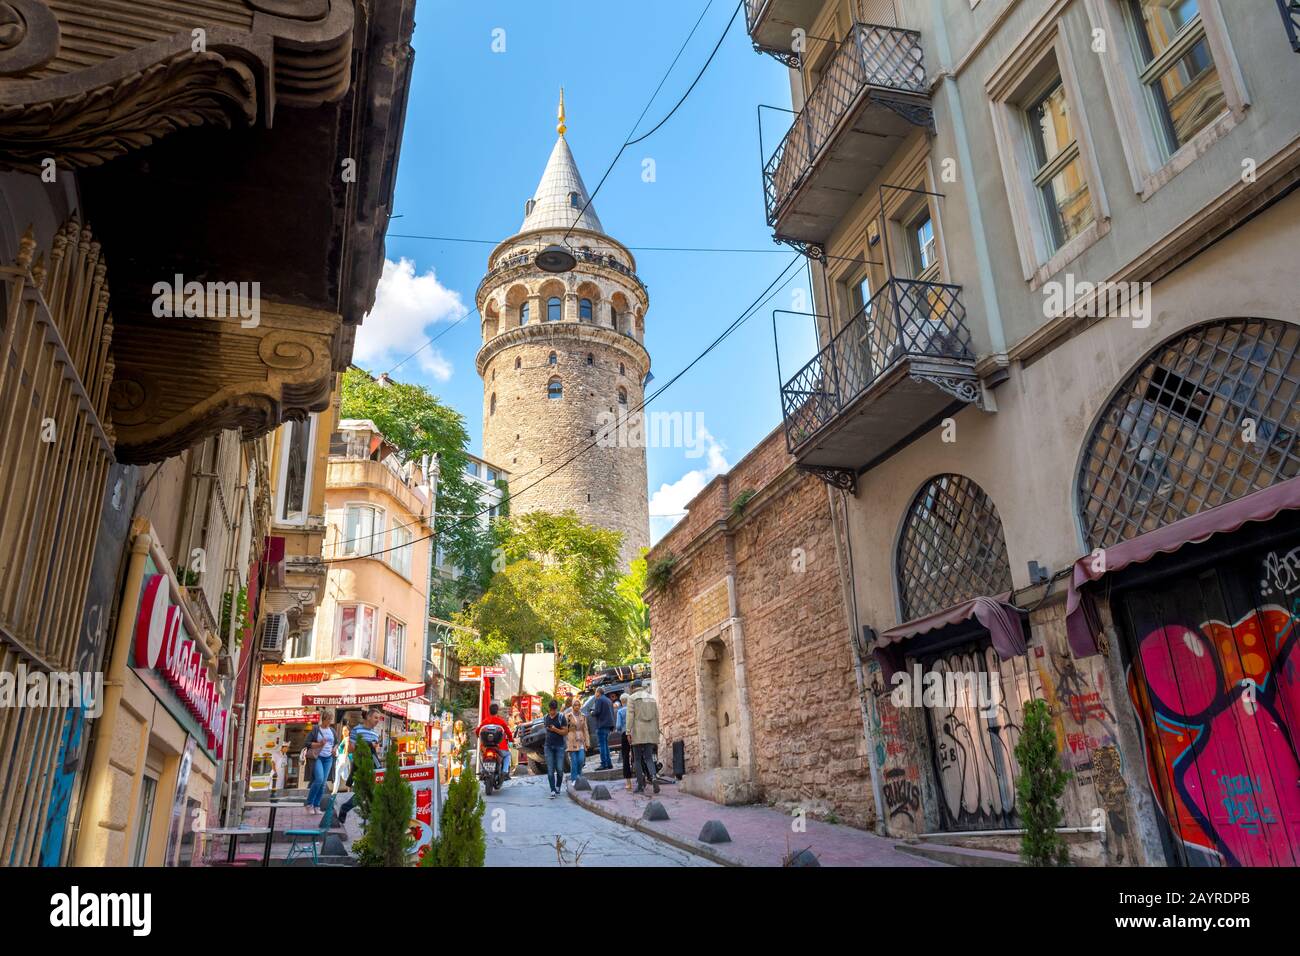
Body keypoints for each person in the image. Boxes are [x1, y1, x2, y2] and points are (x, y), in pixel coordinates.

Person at [337, 709, 383, 825]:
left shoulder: (375, 734)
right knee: (361, 793)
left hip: (371, 767)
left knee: (371, 793)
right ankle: (346, 808)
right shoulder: (357, 730)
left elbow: (375, 753)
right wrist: (366, 745)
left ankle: (371, 821)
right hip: (360, 767)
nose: (378, 720)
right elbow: (351, 749)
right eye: (375, 718)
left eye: (378, 718)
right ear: (368, 717)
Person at [624, 680, 660, 794]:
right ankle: (653, 777)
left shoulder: (632, 698)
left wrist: (628, 731)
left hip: (638, 731)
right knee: (649, 757)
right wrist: (656, 730)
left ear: (633, 687)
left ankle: (640, 785)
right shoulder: (651, 697)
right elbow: (656, 716)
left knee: (637, 759)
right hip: (650, 731)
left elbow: (630, 716)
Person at [303, 710, 336, 812]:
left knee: (323, 783)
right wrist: (319, 744)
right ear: (324, 719)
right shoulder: (315, 729)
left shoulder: (332, 730)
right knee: (319, 779)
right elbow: (306, 743)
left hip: (329, 758)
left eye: (331, 719)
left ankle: (317, 805)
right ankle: (309, 804)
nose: (330, 722)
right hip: (318, 757)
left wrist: (335, 748)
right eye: (329, 719)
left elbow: (337, 742)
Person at [475, 702, 515, 781]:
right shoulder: (501, 721)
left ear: (489, 711)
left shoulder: (485, 721)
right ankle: (505, 772)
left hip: (486, 747)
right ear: (497, 711)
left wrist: (480, 738)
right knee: (507, 755)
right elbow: (508, 732)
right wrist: (511, 740)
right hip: (500, 747)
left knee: (482, 756)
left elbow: (477, 731)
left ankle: (483, 771)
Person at [543, 699, 568, 797]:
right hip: (548, 746)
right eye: (551, 710)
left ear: (556, 709)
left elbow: (565, 732)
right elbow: (546, 730)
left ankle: (558, 786)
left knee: (560, 769)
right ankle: (552, 790)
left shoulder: (561, 717)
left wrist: (555, 729)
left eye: (554, 710)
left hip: (559, 746)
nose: (552, 712)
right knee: (550, 769)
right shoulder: (546, 717)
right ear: (549, 709)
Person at [564, 697, 589, 784]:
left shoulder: (583, 716)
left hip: (581, 740)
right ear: (572, 706)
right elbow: (564, 729)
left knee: (581, 760)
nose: (577, 707)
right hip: (571, 740)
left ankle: (579, 775)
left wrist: (588, 742)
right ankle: (574, 779)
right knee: (574, 761)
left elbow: (585, 729)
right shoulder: (568, 716)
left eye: (578, 705)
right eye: (575, 705)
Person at [590, 686, 615, 770]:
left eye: (595, 693)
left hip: (601, 725)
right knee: (606, 745)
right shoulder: (608, 700)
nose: (595, 694)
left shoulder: (599, 700)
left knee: (602, 745)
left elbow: (597, 712)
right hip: (608, 726)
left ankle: (604, 764)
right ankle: (609, 763)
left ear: (598, 693)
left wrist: (592, 712)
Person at [614, 698, 633, 791]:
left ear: (621, 701)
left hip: (625, 734)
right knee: (636, 756)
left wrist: (619, 730)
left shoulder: (620, 711)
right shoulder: (633, 709)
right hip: (634, 733)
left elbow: (618, 726)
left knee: (625, 758)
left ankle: (628, 782)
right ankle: (641, 778)